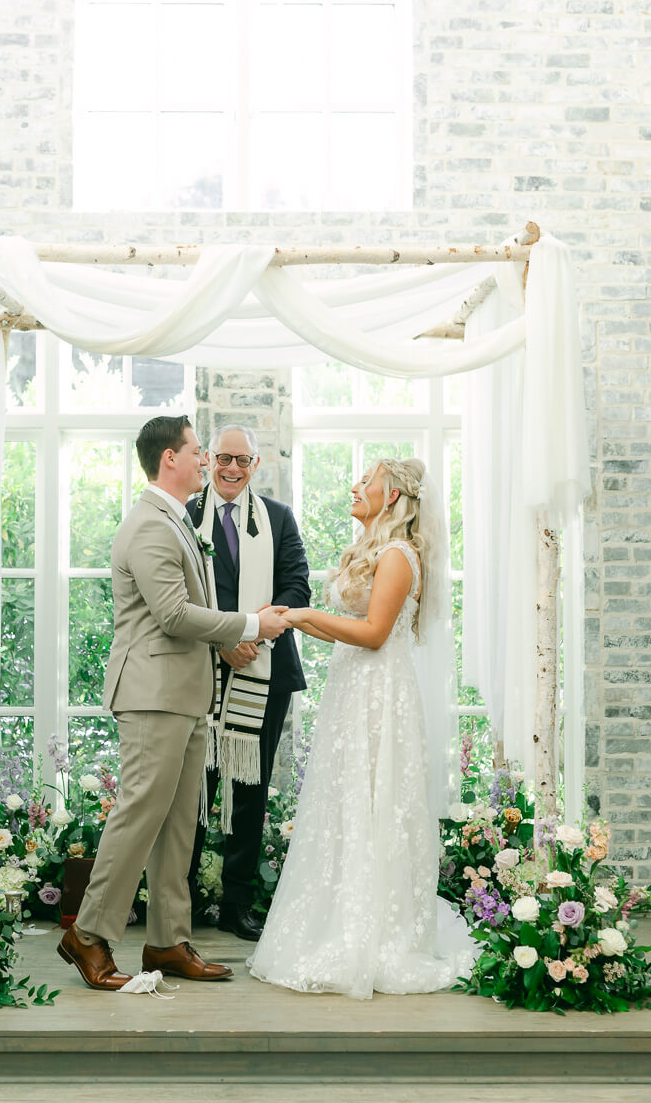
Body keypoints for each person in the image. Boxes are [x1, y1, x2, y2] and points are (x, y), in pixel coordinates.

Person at [58, 415, 289, 990]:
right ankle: (87, 935)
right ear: (170, 459)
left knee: (180, 822)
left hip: (187, 696)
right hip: (152, 694)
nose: (206, 461)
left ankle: (166, 941)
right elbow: (173, 615)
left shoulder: (178, 519)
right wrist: (249, 623)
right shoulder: (150, 525)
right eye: (196, 451)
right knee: (139, 815)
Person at [248, 457, 476, 999]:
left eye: (367, 481)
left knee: (376, 801)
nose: (355, 486)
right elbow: (347, 633)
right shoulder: (372, 551)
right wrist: (292, 616)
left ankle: (378, 934)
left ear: (393, 496)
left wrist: (299, 616)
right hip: (352, 692)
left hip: (381, 696)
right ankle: (340, 919)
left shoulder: (398, 555)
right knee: (347, 803)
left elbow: (373, 633)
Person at [186, 425, 310, 941]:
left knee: (250, 791)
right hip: (196, 669)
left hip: (264, 671)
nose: (232, 469)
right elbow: (177, 592)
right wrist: (222, 639)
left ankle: (237, 905)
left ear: (256, 464)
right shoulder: (185, 514)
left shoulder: (278, 518)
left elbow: (296, 585)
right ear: (209, 459)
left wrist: (251, 638)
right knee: (192, 790)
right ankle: (182, 904)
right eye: (224, 458)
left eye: (243, 460)